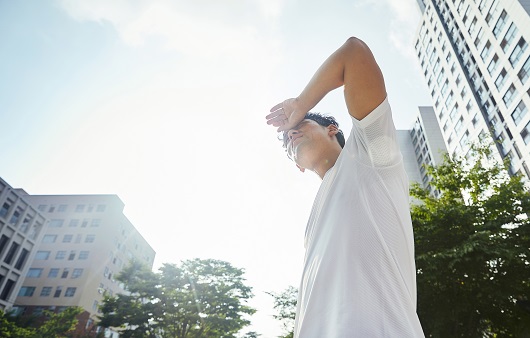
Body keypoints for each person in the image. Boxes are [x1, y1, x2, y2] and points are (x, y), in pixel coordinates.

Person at [265, 37, 425, 337]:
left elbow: (354, 53)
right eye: (287, 139)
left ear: (332, 129)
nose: (291, 135)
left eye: (300, 125)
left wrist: (300, 105)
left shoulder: (370, 158)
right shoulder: (313, 223)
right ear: (298, 166)